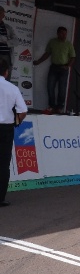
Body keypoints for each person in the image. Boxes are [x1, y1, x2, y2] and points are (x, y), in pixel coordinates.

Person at [0, 60, 28, 207]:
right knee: (3, 164)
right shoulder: (12, 88)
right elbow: (23, 111)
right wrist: (16, 122)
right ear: (6, 72)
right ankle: (0, 198)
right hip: (5, 128)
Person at [33, 26, 76, 114]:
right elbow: (47, 53)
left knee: (62, 89)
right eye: (62, 33)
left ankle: (60, 107)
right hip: (54, 67)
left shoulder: (68, 44)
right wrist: (39, 61)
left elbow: (73, 57)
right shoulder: (52, 42)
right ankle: (51, 106)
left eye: (65, 34)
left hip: (63, 68)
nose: (64, 35)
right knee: (50, 87)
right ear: (58, 34)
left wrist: (68, 66)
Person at [0, 6, 19, 82]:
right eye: (2, 13)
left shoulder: (8, 27)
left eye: (3, 13)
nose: (4, 15)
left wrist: (6, 41)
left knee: (6, 80)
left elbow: (16, 41)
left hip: (6, 57)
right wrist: (5, 38)